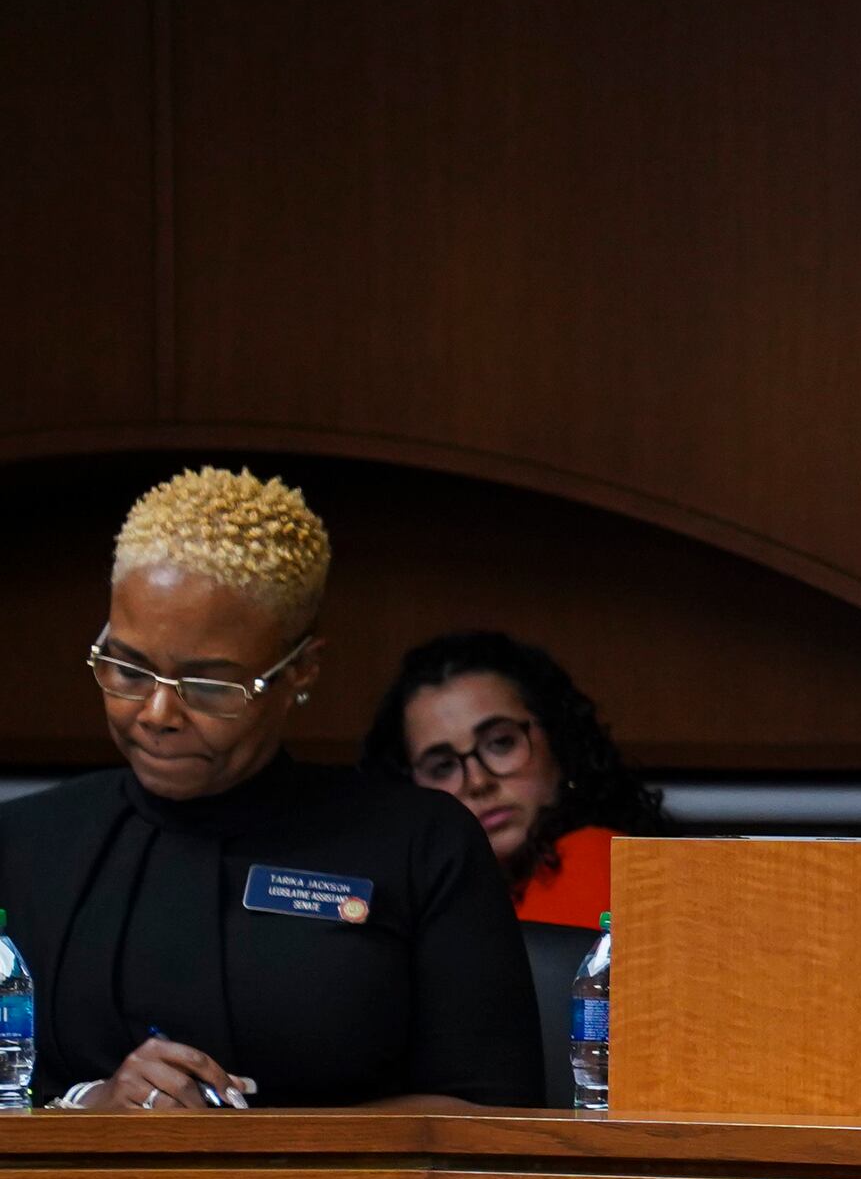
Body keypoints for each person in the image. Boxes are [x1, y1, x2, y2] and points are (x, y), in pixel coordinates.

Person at [0, 469, 545, 1111]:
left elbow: (493, 1115)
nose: (156, 713)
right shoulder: (26, 846)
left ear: (300, 672)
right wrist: (93, 1108)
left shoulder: (421, 845)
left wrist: (260, 1150)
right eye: (126, 667)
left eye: (208, 685)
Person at [361, 630, 668, 927]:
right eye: (443, 766)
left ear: (559, 739)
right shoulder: (433, 901)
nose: (478, 782)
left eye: (501, 743)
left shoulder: (595, 858)